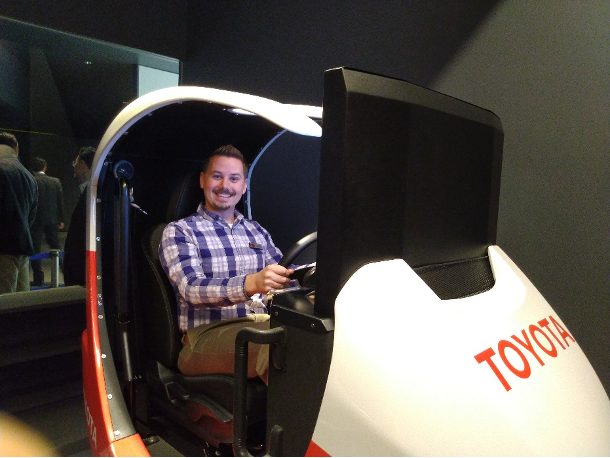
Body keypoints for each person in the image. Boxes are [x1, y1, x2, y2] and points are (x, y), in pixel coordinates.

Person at [159, 145, 294, 384]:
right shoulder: (180, 231)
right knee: (279, 344)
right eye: (217, 176)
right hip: (203, 336)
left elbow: (285, 278)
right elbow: (191, 289)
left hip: (260, 323)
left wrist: (309, 280)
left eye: (234, 179)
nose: (224, 186)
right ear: (203, 180)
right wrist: (252, 283)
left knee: (309, 333)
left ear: (244, 186)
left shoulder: (256, 230)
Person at [0, 132, 38, 294]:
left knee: (4, 302)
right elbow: (31, 215)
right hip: (22, 246)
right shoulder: (28, 175)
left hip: (3, 248)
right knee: (22, 302)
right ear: (15, 149)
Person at [29, 156, 65, 286]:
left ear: (32, 168)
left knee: (35, 248)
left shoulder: (32, 180)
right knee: (56, 246)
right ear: (45, 168)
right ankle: (64, 272)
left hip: (35, 219)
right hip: (52, 219)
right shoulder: (55, 181)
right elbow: (59, 202)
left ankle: (39, 278)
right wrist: (61, 219)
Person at [63, 146, 95, 286]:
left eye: (75, 163)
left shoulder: (91, 194)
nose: (74, 167)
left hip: (83, 274)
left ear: (83, 164)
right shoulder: (89, 191)